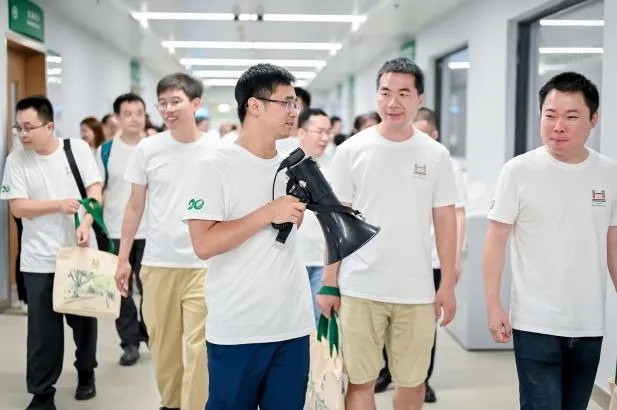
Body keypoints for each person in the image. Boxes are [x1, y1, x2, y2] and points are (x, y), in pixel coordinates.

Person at [318, 57, 458, 410]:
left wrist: (447, 285)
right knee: (360, 381)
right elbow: (336, 223)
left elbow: (445, 221)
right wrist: (329, 283)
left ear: (419, 98)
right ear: (377, 95)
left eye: (403, 93)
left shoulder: (436, 155)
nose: (393, 102)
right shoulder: (351, 150)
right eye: (385, 92)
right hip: (360, 286)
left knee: (413, 382)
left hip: (416, 290)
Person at [483, 71, 617, 410]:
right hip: (535, 321)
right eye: (550, 115)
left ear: (593, 119)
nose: (558, 126)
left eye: (571, 117)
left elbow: (613, 245)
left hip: (589, 321)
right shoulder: (518, 171)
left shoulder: (609, 173)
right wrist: (494, 305)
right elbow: (495, 241)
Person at [184, 63, 314, 409]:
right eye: (286, 103)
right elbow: (204, 244)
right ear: (254, 105)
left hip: (292, 325)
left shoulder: (293, 165)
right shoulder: (214, 166)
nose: (293, 111)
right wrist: (268, 213)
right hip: (238, 327)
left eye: (295, 104)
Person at [115, 73, 211, 410]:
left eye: (175, 101)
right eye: (162, 103)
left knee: (199, 348)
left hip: (204, 264)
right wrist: (123, 258)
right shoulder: (148, 149)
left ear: (195, 104)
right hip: (158, 263)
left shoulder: (218, 150)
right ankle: (171, 403)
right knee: (164, 346)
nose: (168, 109)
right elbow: (134, 206)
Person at [1, 95, 102, 410]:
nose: (23, 134)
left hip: (78, 253)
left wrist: (86, 222)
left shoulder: (77, 149)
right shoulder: (16, 160)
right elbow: (18, 208)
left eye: (29, 127)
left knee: (83, 321)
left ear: (49, 126)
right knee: (42, 331)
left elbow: (95, 192)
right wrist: (58, 204)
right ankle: (42, 393)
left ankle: (86, 371)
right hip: (38, 258)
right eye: (19, 128)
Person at [375, 107, 468, 401]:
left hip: (433, 259)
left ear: (435, 134)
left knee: (426, 325)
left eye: (424, 133)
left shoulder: (445, 163)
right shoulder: (392, 159)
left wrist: (454, 260)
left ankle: (422, 378)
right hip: (395, 258)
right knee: (389, 317)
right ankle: (388, 370)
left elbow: (458, 214)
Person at [96, 93, 149, 366]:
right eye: (128, 114)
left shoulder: (154, 146)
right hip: (116, 231)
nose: (135, 119)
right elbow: (98, 189)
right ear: (117, 118)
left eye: (139, 113)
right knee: (122, 290)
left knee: (150, 288)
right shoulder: (106, 150)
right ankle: (129, 342)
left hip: (152, 231)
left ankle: (149, 332)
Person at [295, 108, 333, 325]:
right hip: (292, 260)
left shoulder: (336, 165)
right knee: (294, 322)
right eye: (320, 132)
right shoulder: (285, 164)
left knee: (321, 325)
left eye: (328, 132)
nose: (325, 138)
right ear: (301, 132)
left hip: (323, 262)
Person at [276, 86, 311, 154]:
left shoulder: (309, 141)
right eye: (286, 105)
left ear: (305, 111)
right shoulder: (273, 138)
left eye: (295, 106)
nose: (289, 111)